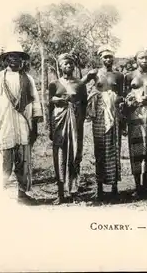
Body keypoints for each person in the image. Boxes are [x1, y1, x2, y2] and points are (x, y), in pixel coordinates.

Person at [0, 47, 43, 204]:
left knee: (23, 160)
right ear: (6, 59)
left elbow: (35, 101)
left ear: (22, 59)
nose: (14, 59)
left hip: (23, 124)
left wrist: (35, 127)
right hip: (4, 124)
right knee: (3, 160)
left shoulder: (28, 79)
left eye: (18, 56)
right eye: (11, 56)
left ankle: (22, 194)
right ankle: (0, 195)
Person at [84, 45, 125, 200]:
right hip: (100, 115)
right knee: (100, 149)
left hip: (114, 114)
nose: (108, 59)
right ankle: (99, 188)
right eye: (104, 57)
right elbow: (81, 84)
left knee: (114, 148)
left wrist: (115, 99)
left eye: (110, 56)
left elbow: (122, 95)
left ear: (113, 58)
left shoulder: (119, 75)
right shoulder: (95, 73)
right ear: (100, 58)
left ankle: (114, 187)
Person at [48, 53, 88, 204]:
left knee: (74, 155)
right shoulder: (54, 84)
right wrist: (51, 128)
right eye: (65, 64)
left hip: (75, 124)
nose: (68, 66)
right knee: (60, 156)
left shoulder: (80, 84)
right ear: (60, 66)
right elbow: (49, 106)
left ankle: (74, 191)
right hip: (59, 123)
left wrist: (80, 121)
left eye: (71, 64)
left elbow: (84, 104)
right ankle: (60, 193)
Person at [124, 50, 147, 199]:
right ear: (136, 59)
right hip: (134, 115)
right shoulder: (129, 77)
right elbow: (124, 99)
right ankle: (137, 186)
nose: (145, 60)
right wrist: (133, 103)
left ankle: (145, 187)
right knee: (135, 150)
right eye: (141, 58)